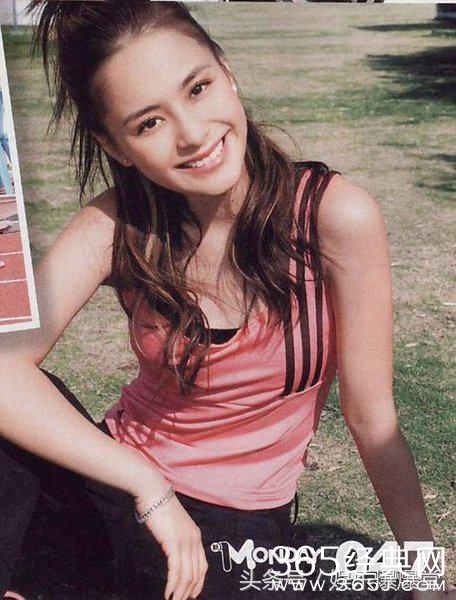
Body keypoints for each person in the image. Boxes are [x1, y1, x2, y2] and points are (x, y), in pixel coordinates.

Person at [0, 1, 450, 599]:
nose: (192, 134)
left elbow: (371, 417)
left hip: (237, 530)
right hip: (122, 483)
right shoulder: (119, 223)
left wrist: (424, 577)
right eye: (149, 124)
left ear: (227, 72)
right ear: (115, 145)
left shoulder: (331, 216)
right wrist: (145, 483)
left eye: (198, 88)